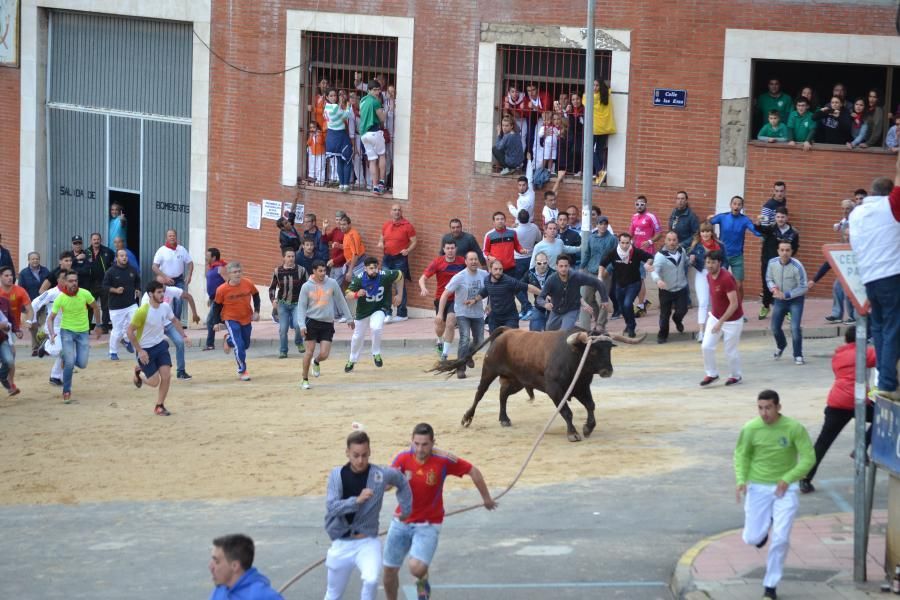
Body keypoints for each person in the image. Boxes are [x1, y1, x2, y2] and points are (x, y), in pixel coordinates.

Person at [383, 422, 497, 600]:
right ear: (411, 441)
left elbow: (473, 471)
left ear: (433, 443)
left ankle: (423, 579)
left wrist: (486, 498)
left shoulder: (444, 460)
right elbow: (387, 485)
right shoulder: (402, 458)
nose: (420, 449)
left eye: (425, 444)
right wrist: (384, 484)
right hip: (401, 521)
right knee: (389, 571)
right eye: (416, 444)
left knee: (416, 568)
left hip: (428, 524)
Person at [734, 389, 815, 600]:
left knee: (780, 539)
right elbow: (741, 455)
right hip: (758, 488)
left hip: (785, 490)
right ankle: (764, 527)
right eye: (760, 408)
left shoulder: (794, 428)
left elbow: (808, 458)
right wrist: (741, 480)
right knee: (751, 538)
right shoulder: (750, 428)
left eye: (768, 408)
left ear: (778, 407)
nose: (764, 413)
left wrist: (788, 478)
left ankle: (770, 587)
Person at [324, 430, 411, 600]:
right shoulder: (336, 475)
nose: (361, 460)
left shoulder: (381, 474)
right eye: (355, 455)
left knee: (371, 580)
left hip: (367, 542)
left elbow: (401, 481)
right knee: (333, 594)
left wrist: (406, 509)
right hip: (341, 543)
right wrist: (356, 500)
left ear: (370, 452)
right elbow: (332, 507)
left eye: (364, 455)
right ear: (347, 453)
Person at [801, 327, 877, 495]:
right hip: (856, 402)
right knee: (881, 418)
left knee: (823, 443)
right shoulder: (864, 353)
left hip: (837, 402)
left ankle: (805, 479)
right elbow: (884, 358)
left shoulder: (838, 355)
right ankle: (860, 447)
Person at [848, 168, 900, 401]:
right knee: (893, 329)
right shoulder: (890, 206)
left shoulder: (856, 213)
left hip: (869, 277)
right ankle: (888, 382)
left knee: (878, 329)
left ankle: (883, 378)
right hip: (892, 274)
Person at [127, 280, 185, 416]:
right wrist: (140, 351)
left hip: (160, 346)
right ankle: (139, 374)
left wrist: (184, 336)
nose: (162, 295)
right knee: (154, 382)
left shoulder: (165, 307)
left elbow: (175, 320)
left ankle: (159, 406)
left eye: (163, 292)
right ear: (150, 294)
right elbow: (130, 332)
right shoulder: (142, 311)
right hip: (145, 349)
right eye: (159, 292)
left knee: (166, 376)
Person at [297, 260, 354, 390]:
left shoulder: (332, 283)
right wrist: (301, 325)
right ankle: (304, 379)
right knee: (309, 351)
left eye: (324, 271)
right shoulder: (306, 286)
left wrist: (349, 318)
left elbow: (341, 300)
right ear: (314, 271)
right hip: (311, 322)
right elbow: (301, 307)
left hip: (327, 323)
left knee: (324, 354)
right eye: (320, 271)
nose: (323, 273)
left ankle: (316, 362)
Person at [48, 270, 102, 403]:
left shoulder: (85, 293)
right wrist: (51, 333)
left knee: (82, 364)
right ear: (65, 282)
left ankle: (65, 359)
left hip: (83, 331)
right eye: (71, 281)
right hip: (66, 331)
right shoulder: (60, 298)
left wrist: (99, 325)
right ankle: (66, 391)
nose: (74, 283)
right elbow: (51, 318)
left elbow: (95, 307)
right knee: (70, 363)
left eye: (75, 281)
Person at [344, 257, 403, 372]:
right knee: (357, 337)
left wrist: (399, 295)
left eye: (375, 267)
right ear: (365, 269)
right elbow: (347, 294)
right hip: (363, 312)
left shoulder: (385, 275)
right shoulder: (359, 279)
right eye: (371, 268)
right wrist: (356, 294)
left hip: (379, 308)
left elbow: (400, 275)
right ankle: (352, 359)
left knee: (376, 328)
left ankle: (376, 353)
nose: (374, 270)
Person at [436, 251, 488, 379]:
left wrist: (489, 304)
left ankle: (467, 355)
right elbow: (445, 294)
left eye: (476, 259)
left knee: (479, 341)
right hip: (462, 312)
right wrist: (440, 313)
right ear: (466, 262)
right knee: (464, 338)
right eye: (471, 259)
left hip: (478, 313)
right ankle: (460, 368)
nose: (474, 262)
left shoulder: (484, 274)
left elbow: (490, 289)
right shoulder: (460, 276)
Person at [700, 250, 744, 386]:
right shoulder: (708, 276)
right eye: (707, 262)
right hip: (715, 317)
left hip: (733, 320)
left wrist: (720, 322)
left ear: (719, 263)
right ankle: (712, 374)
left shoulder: (726, 278)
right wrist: (715, 317)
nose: (710, 265)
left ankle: (736, 376)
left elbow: (734, 304)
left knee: (730, 350)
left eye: (713, 262)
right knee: (706, 346)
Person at [211, 262, 261, 382]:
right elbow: (216, 306)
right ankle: (242, 370)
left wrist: (257, 311)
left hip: (246, 317)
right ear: (229, 274)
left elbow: (256, 295)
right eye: (234, 272)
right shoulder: (222, 289)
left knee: (246, 344)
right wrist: (216, 322)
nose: (238, 274)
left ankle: (228, 340)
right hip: (230, 318)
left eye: (239, 271)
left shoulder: (248, 283)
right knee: (239, 345)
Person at [708, 195, 761, 305]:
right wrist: (713, 236)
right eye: (734, 204)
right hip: (723, 256)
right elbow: (707, 224)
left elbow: (756, 232)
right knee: (721, 284)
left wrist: (759, 225)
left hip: (737, 257)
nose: (736, 206)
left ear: (742, 206)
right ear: (730, 205)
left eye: (739, 204)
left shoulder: (745, 220)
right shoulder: (723, 217)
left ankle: (738, 309)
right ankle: (722, 307)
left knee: (739, 284)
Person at [600, 233, 654, 338]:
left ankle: (631, 327)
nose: (625, 245)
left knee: (627, 304)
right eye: (622, 243)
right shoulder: (613, 253)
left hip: (634, 283)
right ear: (619, 242)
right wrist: (599, 276)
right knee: (622, 307)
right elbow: (602, 263)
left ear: (630, 242)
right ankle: (629, 323)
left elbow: (650, 257)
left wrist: (648, 264)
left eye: (627, 243)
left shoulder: (636, 252)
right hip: (619, 284)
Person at [420, 239, 465, 360]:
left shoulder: (462, 262)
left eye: (452, 248)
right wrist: (423, 288)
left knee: (450, 323)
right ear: (444, 249)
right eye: (448, 248)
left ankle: (445, 354)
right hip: (441, 298)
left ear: (456, 249)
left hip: (456, 298)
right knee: (440, 326)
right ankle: (439, 340)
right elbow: (422, 278)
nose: (450, 251)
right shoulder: (437, 262)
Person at [539, 254, 609, 332]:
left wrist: (604, 299)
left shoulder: (577, 277)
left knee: (563, 333)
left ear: (569, 266)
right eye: (561, 266)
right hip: (556, 311)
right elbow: (540, 298)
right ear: (556, 267)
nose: (563, 268)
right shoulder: (551, 280)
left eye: (566, 266)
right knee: (549, 330)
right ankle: (576, 330)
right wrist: (545, 304)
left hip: (571, 310)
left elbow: (597, 282)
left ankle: (570, 329)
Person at [469, 259, 541, 333]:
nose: (498, 272)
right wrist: (475, 300)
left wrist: (543, 294)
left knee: (510, 339)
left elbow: (528, 287)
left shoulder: (509, 281)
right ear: (490, 269)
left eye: (500, 269)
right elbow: (485, 291)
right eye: (496, 269)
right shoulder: (487, 280)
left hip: (510, 317)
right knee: (495, 341)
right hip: (495, 317)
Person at [766, 241, 808, 365]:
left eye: (787, 250)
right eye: (782, 250)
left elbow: (803, 287)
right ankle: (781, 345)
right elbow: (769, 279)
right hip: (779, 299)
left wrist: (787, 295)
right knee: (774, 327)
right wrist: (773, 289)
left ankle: (798, 355)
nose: (785, 253)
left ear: (791, 251)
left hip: (795, 300)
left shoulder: (797, 266)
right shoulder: (772, 263)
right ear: (778, 251)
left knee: (795, 327)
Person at [208, 534, 283, 600]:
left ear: (234, 566)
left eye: (217, 562)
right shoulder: (220, 590)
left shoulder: (263, 596)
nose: (210, 567)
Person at [756, 206, 799, 319]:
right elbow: (759, 229)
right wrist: (758, 223)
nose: (780, 219)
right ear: (775, 217)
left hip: (785, 263)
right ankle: (766, 306)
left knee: (785, 286)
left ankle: (787, 310)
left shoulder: (793, 233)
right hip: (768, 262)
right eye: (778, 217)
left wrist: (787, 258)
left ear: (787, 218)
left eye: (782, 217)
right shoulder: (770, 228)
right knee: (767, 286)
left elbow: (795, 247)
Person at [688, 222, 728, 343]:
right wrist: (692, 260)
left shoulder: (719, 245)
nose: (705, 234)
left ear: (712, 232)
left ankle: (719, 328)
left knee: (718, 302)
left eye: (708, 231)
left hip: (717, 274)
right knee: (703, 302)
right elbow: (691, 260)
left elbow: (725, 260)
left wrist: (723, 272)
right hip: (702, 274)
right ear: (700, 233)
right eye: (703, 231)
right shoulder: (696, 245)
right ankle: (701, 332)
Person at [378, 204, 417, 322]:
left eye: (399, 210)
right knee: (385, 284)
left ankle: (402, 313)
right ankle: (387, 313)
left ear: (401, 212)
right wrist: (380, 243)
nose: (397, 212)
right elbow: (382, 238)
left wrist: (408, 250)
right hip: (387, 258)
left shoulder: (407, 226)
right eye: (394, 210)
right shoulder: (386, 225)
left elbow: (414, 241)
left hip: (400, 258)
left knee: (399, 286)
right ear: (391, 212)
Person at [268, 249, 308, 359]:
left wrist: (307, 301)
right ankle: (283, 350)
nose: (291, 258)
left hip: (297, 304)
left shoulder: (301, 270)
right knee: (283, 329)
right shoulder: (277, 271)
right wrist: (273, 300)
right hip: (282, 304)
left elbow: (308, 287)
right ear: (284, 258)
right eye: (288, 256)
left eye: (293, 256)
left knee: (298, 325)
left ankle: (299, 342)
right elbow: (272, 288)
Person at [0, 266, 34, 392]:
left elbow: (29, 309)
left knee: (11, 355)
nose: (10, 278)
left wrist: (29, 321)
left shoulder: (20, 291)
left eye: (11, 275)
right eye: (6, 275)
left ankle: (10, 383)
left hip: (11, 328)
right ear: (0, 277)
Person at [102, 249, 141, 360]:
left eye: (126, 256)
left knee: (136, 324)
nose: (124, 258)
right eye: (122, 256)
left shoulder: (132, 270)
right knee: (117, 331)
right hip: (116, 307)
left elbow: (137, 281)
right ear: (117, 258)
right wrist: (115, 290)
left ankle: (127, 340)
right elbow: (104, 286)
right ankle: (113, 352)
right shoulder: (110, 272)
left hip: (131, 304)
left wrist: (138, 289)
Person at [651, 231, 689, 343]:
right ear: (665, 241)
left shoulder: (682, 251)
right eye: (669, 240)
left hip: (681, 288)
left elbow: (685, 262)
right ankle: (662, 335)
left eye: (674, 240)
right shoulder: (660, 256)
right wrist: (658, 280)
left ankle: (677, 320)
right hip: (666, 290)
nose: (672, 242)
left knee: (683, 310)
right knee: (664, 315)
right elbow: (654, 271)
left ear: (677, 241)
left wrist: (690, 261)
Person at [152, 229, 193, 325]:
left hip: (179, 279)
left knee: (179, 301)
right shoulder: (161, 251)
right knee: (166, 302)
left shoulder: (182, 249)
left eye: (173, 235)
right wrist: (165, 277)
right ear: (166, 238)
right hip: (165, 281)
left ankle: (176, 322)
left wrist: (189, 275)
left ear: (176, 237)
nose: (172, 237)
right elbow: (154, 267)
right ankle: (164, 322)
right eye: (170, 236)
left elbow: (190, 263)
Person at [629, 196, 662, 316]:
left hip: (646, 253)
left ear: (646, 205)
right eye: (637, 204)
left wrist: (650, 242)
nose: (639, 206)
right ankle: (641, 303)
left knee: (640, 278)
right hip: (634, 252)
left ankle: (641, 305)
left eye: (642, 204)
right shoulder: (634, 217)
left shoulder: (651, 217)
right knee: (636, 278)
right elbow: (630, 234)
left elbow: (659, 233)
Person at [359, 80, 388, 195]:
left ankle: (374, 187)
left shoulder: (362, 101)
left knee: (372, 160)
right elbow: (382, 118)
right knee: (381, 155)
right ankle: (381, 182)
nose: (377, 92)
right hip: (374, 132)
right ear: (369, 90)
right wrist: (387, 111)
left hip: (364, 135)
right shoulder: (375, 102)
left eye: (378, 89)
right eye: (374, 90)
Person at [18, 252, 49, 355]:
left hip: (44, 304)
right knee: (33, 327)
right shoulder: (23, 273)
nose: (35, 261)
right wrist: (23, 306)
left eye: (37, 259)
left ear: (39, 260)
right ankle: (35, 349)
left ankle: (45, 347)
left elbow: (50, 285)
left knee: (45, 326)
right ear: (29, 260)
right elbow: (21, 290)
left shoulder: (45, 271)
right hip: (30, 305)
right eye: (33, 259)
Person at [512, 208, 541, 319]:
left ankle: (526, 307)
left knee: (518, 286)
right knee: (530, 284)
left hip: (518, 260)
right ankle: (528, 309)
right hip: (530, 259)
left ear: (518, 218)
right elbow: (538, 239)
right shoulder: (534, 227)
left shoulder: (515, 230)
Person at [324, 87, 354, 192]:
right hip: (340, 135)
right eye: (331, 96)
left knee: (339, 160)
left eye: (335, 95)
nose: (334, 97)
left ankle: (341, 184)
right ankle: (345, 185)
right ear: (327, 97)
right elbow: (347, 116)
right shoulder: (335, 107)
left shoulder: (326, 107)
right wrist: (349, 106)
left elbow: (339, 117)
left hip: (331, 136)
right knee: (347, 159)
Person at [586, 79, 616, 185]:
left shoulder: (588, 96)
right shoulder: (607, 94)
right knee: (598, 151)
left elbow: (584, 104)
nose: (594, 88)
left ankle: (599, 171)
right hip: (605, 128)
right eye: (593, 85)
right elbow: (611, 89)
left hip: (595, 128)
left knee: (588, 150)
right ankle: (600, 175)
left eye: (597, 85)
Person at [86, 233, 115, 332]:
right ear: (91, 241)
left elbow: (113, 267)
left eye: (98, 239)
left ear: (100, 240)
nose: (96, 241)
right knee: (89, 305)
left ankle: (105, 327)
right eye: (94, 239)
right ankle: (87, 327)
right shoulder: (86, 252)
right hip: (91, 284)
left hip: (104, 283)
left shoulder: (108, 251)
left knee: (105, 306)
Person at [523, 251, 554, 331]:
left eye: (545, 263)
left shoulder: (554, 274)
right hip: (538, 307)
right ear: (535, 262)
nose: (542, 265)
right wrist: (526, 304)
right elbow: (520, 286)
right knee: (534, 332)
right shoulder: (530, 273)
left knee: (551, 334)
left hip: (553, 308)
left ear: (548, 262)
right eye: (539, 263)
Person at [204, 248, 227, 351]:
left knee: (210, 321)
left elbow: (228, 282)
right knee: (222, 321)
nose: (206, 257)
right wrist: (210, 297)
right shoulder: (211, 268)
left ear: (213, 257)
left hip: (220, 299)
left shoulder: (220, 268)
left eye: (208, 256)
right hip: (213, 299)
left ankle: (210, 344)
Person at [0, 299, 20, 396]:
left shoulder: (4, 302)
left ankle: (3, 377)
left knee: (9, 360)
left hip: (2, 339)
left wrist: (7, 327)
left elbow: (6, 321)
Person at [306, 120, 326, 185]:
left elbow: (321, 142)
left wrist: (318, 135)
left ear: (317, 127)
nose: (312, 129)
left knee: (320, 167)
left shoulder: (320, 133)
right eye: (311, 127)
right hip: (313, 152)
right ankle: (313, 179)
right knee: (313, 166)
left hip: (320, 152)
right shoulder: (311, 134)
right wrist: (311, 136)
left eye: (313, 127)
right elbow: (308, 143)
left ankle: (320, 181)